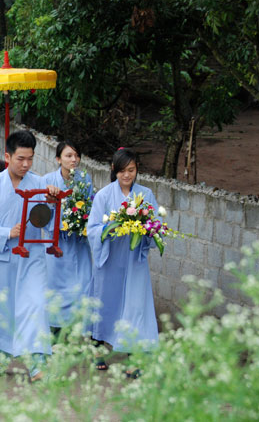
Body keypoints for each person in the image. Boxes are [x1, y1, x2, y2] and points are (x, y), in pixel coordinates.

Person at [0, 130, 60, 381]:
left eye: (30, 158)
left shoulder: (40, 184)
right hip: (4, 257)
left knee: (35, 306)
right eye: (21, 158)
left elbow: (48, 221)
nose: (26, 164)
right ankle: (1, 359)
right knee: (4, 307)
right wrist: (5, 232)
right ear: (7, 156)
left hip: (32, 258)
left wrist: (51, 202)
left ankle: (37, 364)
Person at [87, 148, 159, 377]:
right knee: (105, 303)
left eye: (131, 170)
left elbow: (156, 224)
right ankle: (97, 348)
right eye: (122, 171)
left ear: (137, 170)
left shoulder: (146, 194)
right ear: (114, 170)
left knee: (135, 307)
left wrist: (147, 229)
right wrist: (111, 228)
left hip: (134, 261)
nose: (127, 175)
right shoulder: (103, 196)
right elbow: (92, 229)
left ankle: (134, 359)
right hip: (110, 260)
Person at [43, 141, 94, 334]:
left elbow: (90, 205)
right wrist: (53, 205)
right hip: (56, 243)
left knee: (83, 284)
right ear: (58, 159)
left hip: (78, 242)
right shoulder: (48, 180)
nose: (74, 160)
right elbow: (41, 213)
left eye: (76, 156)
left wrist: (80, 221)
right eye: (68, 156)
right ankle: (55, 329)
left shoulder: (84, 178)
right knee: (55, 286)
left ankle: (79, 329)